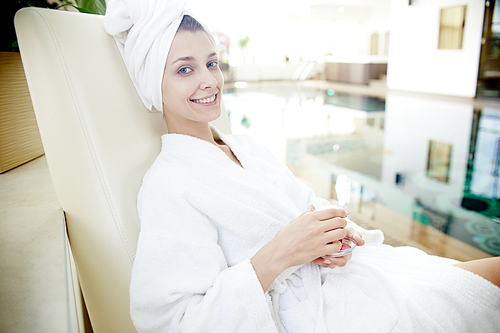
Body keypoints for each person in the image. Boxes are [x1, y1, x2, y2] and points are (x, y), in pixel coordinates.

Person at [104, 1, 500, 332]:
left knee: (472, 282)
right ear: (152, 84)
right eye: (185, 69)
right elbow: (175, 321)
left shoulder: (245, 146)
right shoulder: (169, 185)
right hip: (320, 315)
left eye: (213, 63)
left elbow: (304, 204)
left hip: (345, 278)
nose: (209, 80)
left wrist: (334, 238)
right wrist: (281, 253)